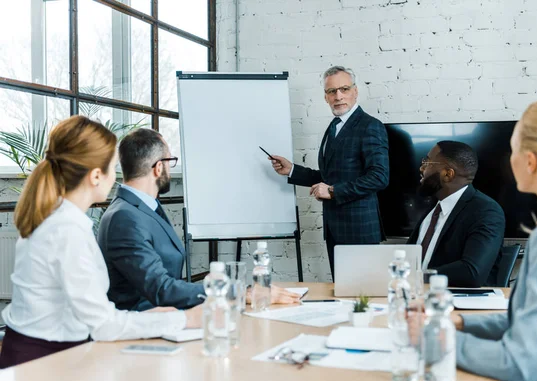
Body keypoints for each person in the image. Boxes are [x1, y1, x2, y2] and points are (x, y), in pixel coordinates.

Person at [412, 99, 537, 381]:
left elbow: (520, 364)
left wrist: (435, 338)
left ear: (530, 161)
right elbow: (528, 320)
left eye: (511, 151)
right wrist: (458, 321)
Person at [0, 116, 203, 369]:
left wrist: (151, 318)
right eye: (112, 167)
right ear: (96, 175)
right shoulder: (66, 230)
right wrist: (186, 320)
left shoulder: (59, 218)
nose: (115, 177)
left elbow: (90, 314)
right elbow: (102, 325)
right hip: (44, 362)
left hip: (45, 353)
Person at [97, 128, 300, 312]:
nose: (170, 167)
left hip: (167, 318)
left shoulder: (144, 207)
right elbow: (161, 289)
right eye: (170, 161)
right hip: (145, 330)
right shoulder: (125, 217)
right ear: (158, 168)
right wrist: (236, 292)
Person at [270, 66, 389, 280]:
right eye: (331, 91)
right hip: (335, 228)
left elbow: (379, 177)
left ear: (356, 91)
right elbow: (330, 176)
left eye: (344, 89)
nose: (338, 96)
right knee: (343, 293)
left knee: (363, 297)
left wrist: (333, 191)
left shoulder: (370, 126)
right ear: (325, 97)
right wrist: (292, 170)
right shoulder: (334, 126)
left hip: (359, 231)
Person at [407, 141, 505, 287]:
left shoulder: (486, 211)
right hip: (418, 298)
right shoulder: (433, 208)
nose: (422, 168)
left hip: (459, 303)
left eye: (427, 162)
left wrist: (419, 277)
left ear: (447, 174)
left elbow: (472, 272)